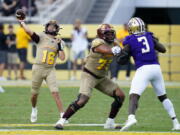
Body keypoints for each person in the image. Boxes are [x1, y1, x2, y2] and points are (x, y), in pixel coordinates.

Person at [55, 24, 125, 130]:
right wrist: (117, 50)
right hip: (89, 75)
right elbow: (105, 50)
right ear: (101, 34)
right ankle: (61, 121)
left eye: (112, 33)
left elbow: (122, 55)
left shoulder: (114, 43)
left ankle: (110, 123)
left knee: (120, 96)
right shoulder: (97, 42)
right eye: (108, 33)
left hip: (102, 77)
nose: (111, 35)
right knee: (82, 100)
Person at [116, 17, 180, 131]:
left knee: (133, 95)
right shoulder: (149, 36)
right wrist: (152, 43)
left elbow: (121, 61)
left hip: (143, 69)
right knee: (163, 97)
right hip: (156, 68)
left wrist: (120, 53)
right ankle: (176, 122)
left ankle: (131, 118)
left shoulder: (130, 40)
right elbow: (163, 49)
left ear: (131, 28)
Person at [16, 16, 67, 123]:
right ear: (47, 27)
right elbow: (29, 32)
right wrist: (22, 22)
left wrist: (59, 46)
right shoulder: (41, 36)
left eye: (54, 27)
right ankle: (34, 109)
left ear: (56, 29)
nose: (51, 28)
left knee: (55, 92)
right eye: (50, 26)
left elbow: (62, 58)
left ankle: (63, 116)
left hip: (50, 69)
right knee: (34, 94)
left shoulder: (59, 41)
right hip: (38, 68)